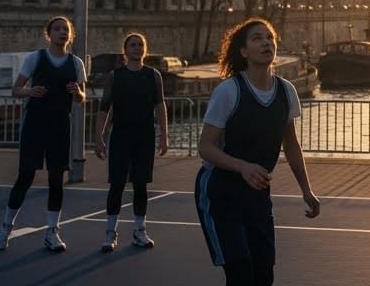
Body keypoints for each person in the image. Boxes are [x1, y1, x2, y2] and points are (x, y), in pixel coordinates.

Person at [195, 18, 320, 286]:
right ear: (243, 51)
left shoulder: (286, 91)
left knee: (263, 274)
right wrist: (242, 166)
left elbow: (291, 145)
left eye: (270, 37)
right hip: (221, 190)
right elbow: (205, 147)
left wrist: (306, 190)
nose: (266, 42)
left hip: (257, 191)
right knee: (240, 271)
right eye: (257, 38)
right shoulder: (229, 91)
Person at [0, 15, 87, 253]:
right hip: (35, 125)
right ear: (49, 34)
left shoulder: (76, 63)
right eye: (57, 29)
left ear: (70, 35)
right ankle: (5, 228)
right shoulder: (36, 58)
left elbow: (82, 99)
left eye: (65, 29)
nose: (61, 32)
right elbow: (15, 90)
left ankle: (52, 232)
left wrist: (77, 92)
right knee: (25, 177)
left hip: (59, 127)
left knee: (57, 181)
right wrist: (29, 91)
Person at [94, 31, 169, 252]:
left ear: (144, 50)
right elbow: (104, 107)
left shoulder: (153, 75)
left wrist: (164, 134)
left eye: (140, 45)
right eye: (133, 45)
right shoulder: (115, 77)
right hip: (121, 137)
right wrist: (99, 136)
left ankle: (139, 230)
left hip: (144, 136)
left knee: (140, 185)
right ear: (125, 50)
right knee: (116, 185)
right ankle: (110, 232)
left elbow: (160, 105)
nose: (137, 48)